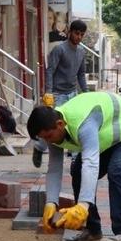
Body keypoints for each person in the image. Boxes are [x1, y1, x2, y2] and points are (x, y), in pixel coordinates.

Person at [27, 91, 121, 241]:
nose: (49, 141)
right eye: (44, 139)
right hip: (109, 137)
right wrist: (51, 203)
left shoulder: (83, 122)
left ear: (60, 124)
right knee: (77, 171)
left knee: (118, 171)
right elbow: (54, 168)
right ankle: (93, 231)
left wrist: (82, 206)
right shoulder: (53, 130)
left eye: (49, 136)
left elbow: (91, 163)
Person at [32, 19, 89, 168]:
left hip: (72, 94)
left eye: (82, 35)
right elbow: (50, 70)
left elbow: (81, 74)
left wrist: (86, 93)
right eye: (77, 33)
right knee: (51, 126)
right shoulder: (59, 49)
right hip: (57, 94)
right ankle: (39, 148)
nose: (79, 37)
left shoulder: (82, 51)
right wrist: (49, 93)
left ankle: (76, 160)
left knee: (73, 125)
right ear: (70, 31)